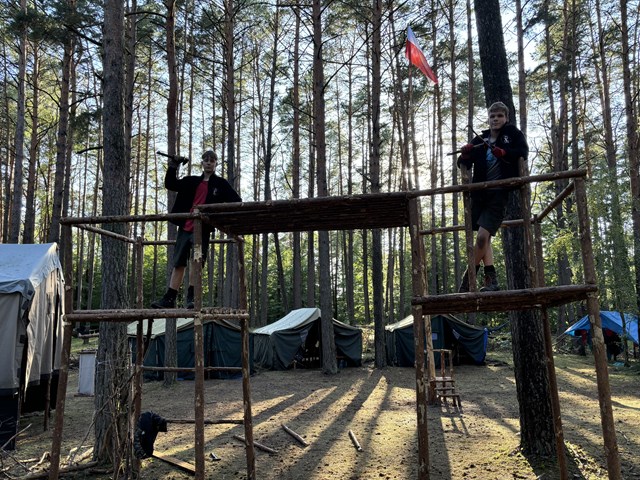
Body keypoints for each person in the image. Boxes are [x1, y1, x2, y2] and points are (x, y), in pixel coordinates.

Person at [152, 150, 241, 309]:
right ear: (202, 163)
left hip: (203, 230)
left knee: (197, 261)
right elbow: (170, 184)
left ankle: (192, 297)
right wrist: (173, 165)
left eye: (212, 160)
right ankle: (170, 298)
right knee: (179, 262)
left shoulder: (220, 184)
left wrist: (217, 217)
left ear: (216, 163)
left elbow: (236, 201)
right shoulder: (190, 181)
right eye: (206, 160)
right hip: (185, 227)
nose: (209, 162)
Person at [457, 101, 528, 292]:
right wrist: (465, 154)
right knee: (484, 238)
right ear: (488, 119)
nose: (495, 119)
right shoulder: (481, 139)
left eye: (499, 116)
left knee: (481, 237)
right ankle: (491, 281)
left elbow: (522, 152)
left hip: (499, 193)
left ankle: (469, 278)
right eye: (492, 116)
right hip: (480, 194)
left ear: (506, 118)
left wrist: (504, 152)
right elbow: (463, 162)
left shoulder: (512, 134)